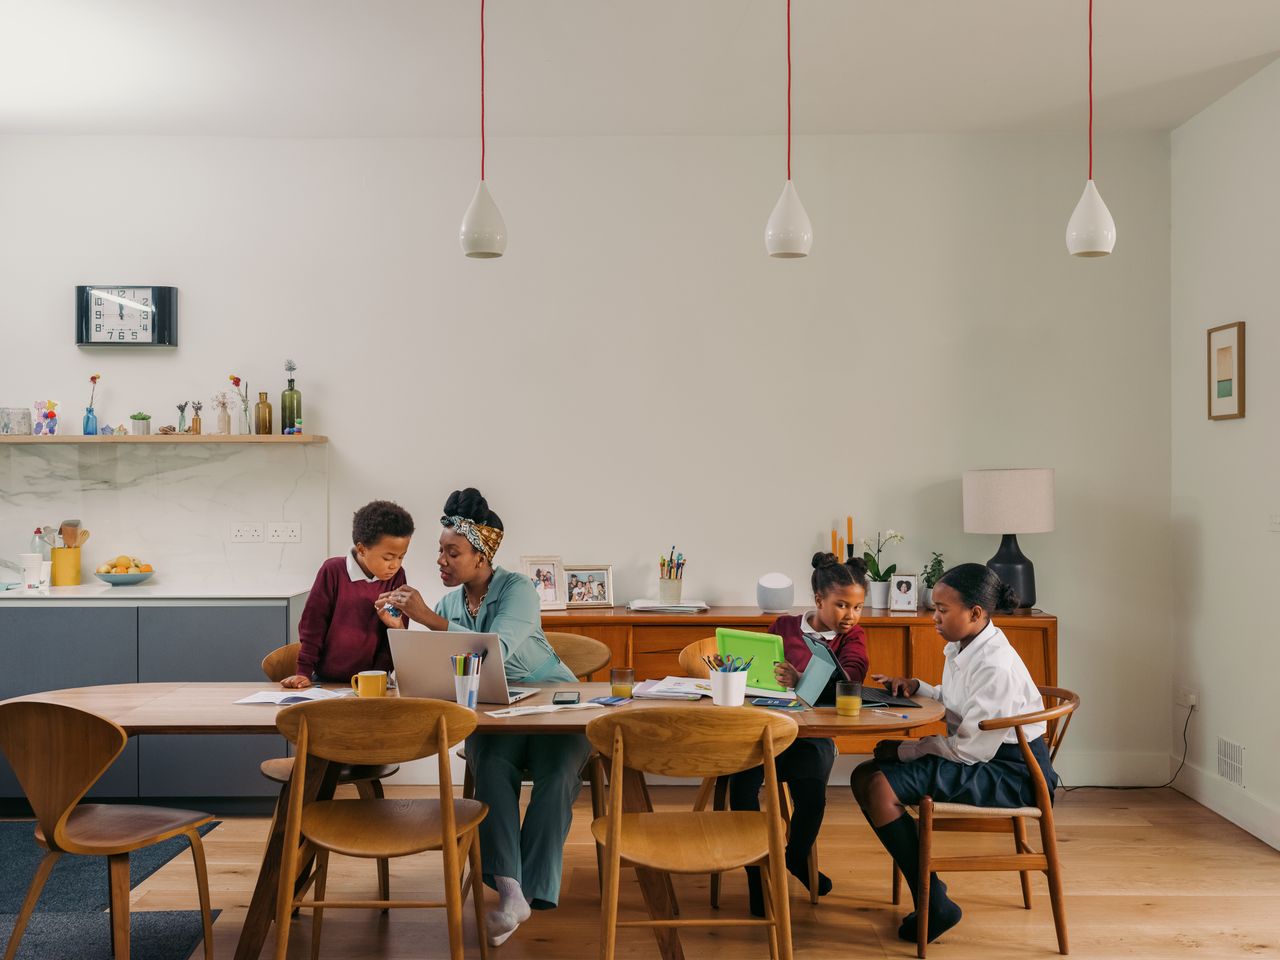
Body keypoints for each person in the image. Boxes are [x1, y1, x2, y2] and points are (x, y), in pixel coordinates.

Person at [381, 488, 587, 947]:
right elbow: (447, 671)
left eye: (452, 552)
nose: (442, 560)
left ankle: (526, 892)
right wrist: (405, 631)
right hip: (497, 709)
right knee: (490, 765)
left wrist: (429, 621)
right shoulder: (451, 606)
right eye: (439, 550)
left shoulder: (518, 590)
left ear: (481, 557)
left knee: (556, 774)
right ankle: (511, 891)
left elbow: (496, 648)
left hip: (557, 700)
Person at [850, 563, 1056, 945]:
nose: (934, 617)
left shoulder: (995, 664)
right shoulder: (967, 645)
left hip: (1011, 772)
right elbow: (961, 703)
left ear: (975, 613)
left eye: (943, 610)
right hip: (984, 756)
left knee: (879, 785)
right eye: (935, 608)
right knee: (863, 776)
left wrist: (908, 750)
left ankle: (934, 901)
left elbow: (968, 749)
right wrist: (918, 686)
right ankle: (930, 894)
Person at [729, 552, 870, 916]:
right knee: (741, 785)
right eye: (841, 605)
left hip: (811, 737)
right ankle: (757, 880)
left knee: (812, 794)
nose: (850, 615)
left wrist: (802, 681)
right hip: (766, 730)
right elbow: (762, 668)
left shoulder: (852, 639)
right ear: (819, 600)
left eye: (857, 607)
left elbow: (852, 679)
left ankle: (793, 858)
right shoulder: (785, 626)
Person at [281, 500, 414, 688]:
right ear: (361, 549)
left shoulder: (397, 577)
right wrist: (303, 672)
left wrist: (379, 675)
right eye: (388, 557)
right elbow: (313, 626)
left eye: (401, 556)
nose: (395, 565)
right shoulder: (333, 571)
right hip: (327, 681)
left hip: (373, 682)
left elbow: (395, 634)